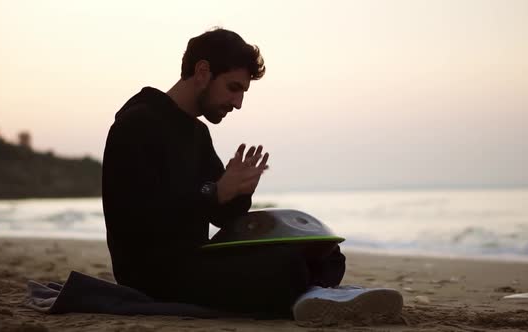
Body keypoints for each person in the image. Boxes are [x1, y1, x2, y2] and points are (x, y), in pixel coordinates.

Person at [102, 28, 402, 322]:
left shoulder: (197, 132)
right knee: (287, 268)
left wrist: (239, 191)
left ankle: (313, 295)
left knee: (328, 254)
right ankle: (313, 294)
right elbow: (133, 220)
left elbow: (221, 216)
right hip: (151, 273)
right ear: (203, 71)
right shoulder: (137, 123)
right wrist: (214, 191)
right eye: (234, 88)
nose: (238, 103)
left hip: (193, 260)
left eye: (243, 92)